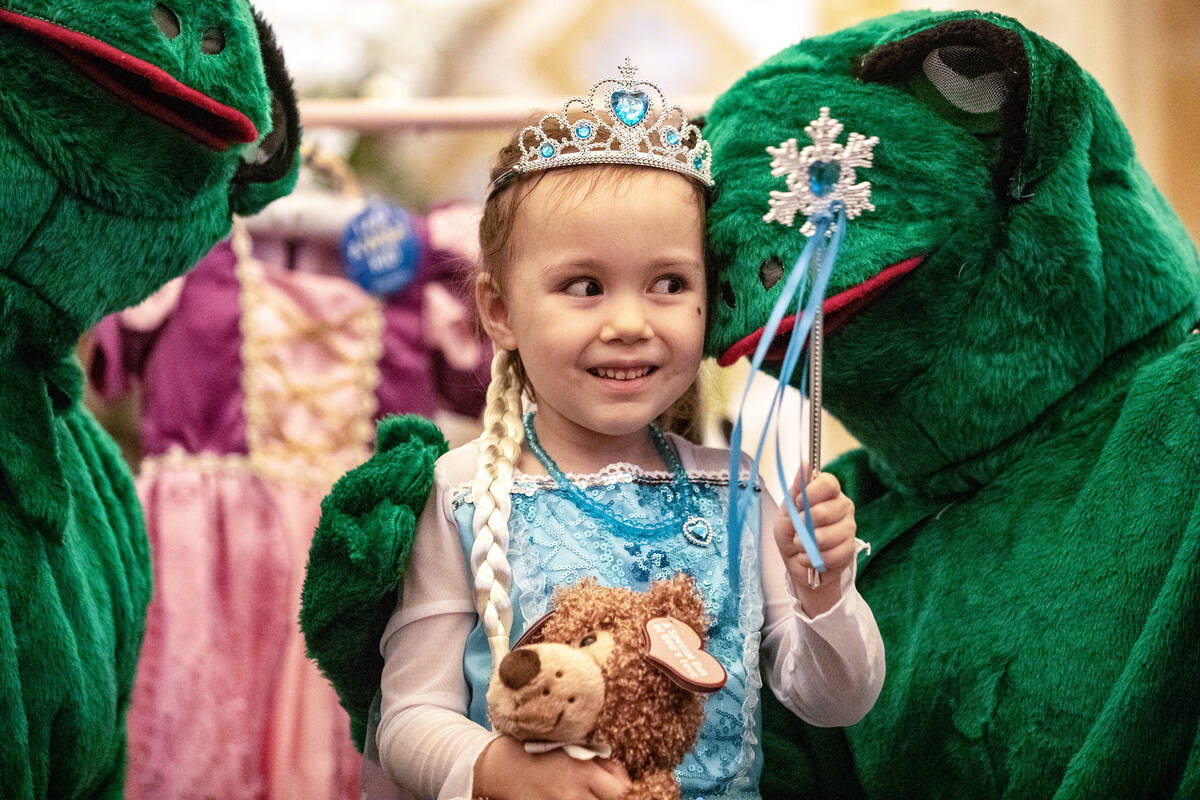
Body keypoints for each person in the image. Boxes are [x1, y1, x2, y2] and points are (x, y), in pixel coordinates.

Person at [372, 60, 885, 800]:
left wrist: (826, 594)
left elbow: (836, 701)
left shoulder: (740, 487)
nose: (630, 324)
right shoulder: (464, 491)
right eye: (584, 287)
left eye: (670, 285)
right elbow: (409, 716)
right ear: (500, 311)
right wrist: (496, 769)